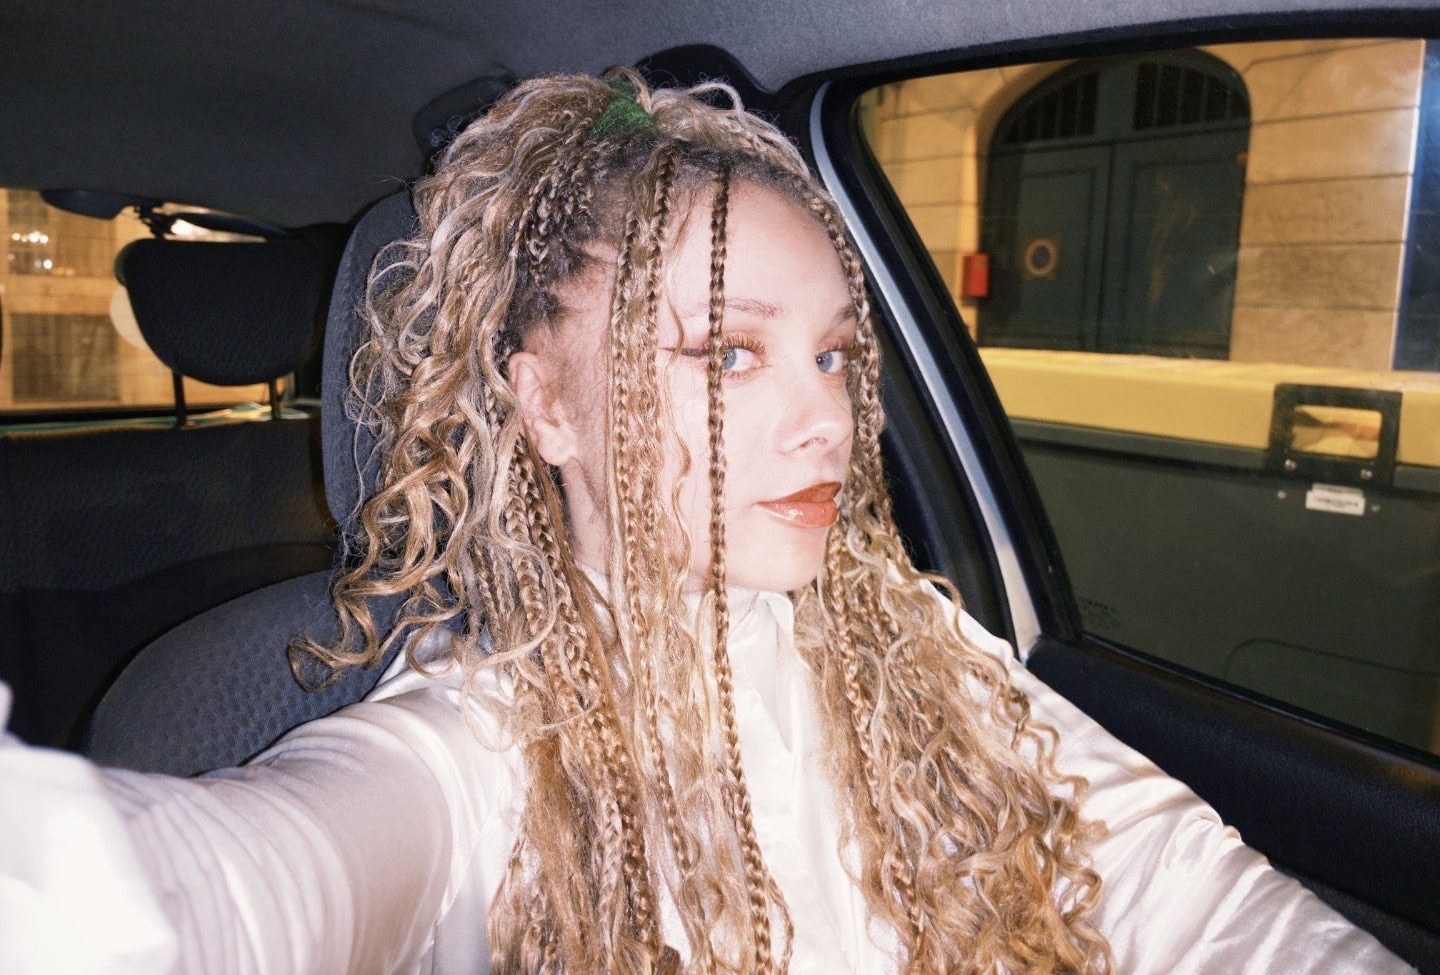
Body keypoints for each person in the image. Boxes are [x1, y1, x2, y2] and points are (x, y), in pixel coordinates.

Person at [0, 71, 1413, 975]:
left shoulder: (909, 644)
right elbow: (234, 888)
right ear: (545, 405)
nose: (825, 424)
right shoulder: (481, 748)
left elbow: (1182, 888)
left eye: (835, 355)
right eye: (728, 353)